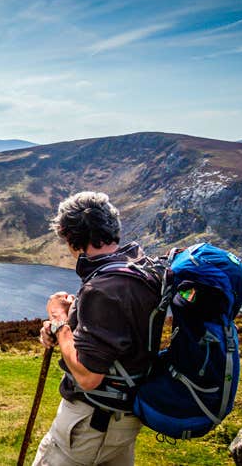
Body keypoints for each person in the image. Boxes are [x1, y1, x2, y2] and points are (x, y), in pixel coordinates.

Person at [32, 191, 161, 466]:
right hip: (119, 422)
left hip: (91, 425)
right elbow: (115, 334)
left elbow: (89, 376)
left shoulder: (104, 287)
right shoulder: (138, 269)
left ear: (72, 237)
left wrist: (57, 319)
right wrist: (67, 323)